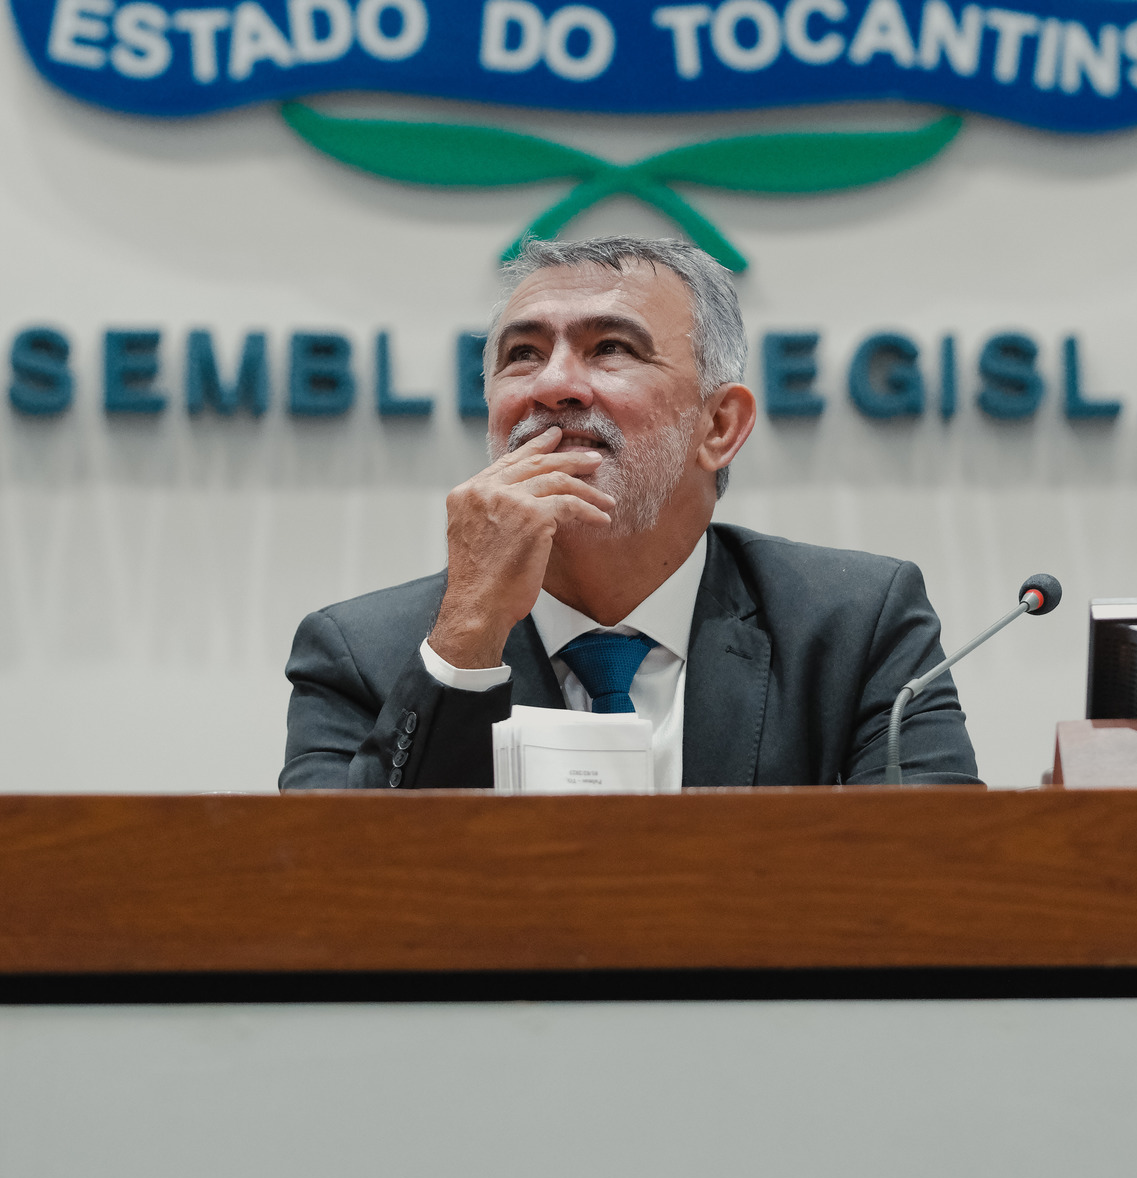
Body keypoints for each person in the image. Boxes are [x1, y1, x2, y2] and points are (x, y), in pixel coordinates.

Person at [280, 236, 978, 791]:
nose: (553, 385)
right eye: (522, 355)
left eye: (610, 348)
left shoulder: (853, 628)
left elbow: (935, 892)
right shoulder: (361, 654)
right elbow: (334, 903)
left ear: (719, 426)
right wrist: (467, 635)